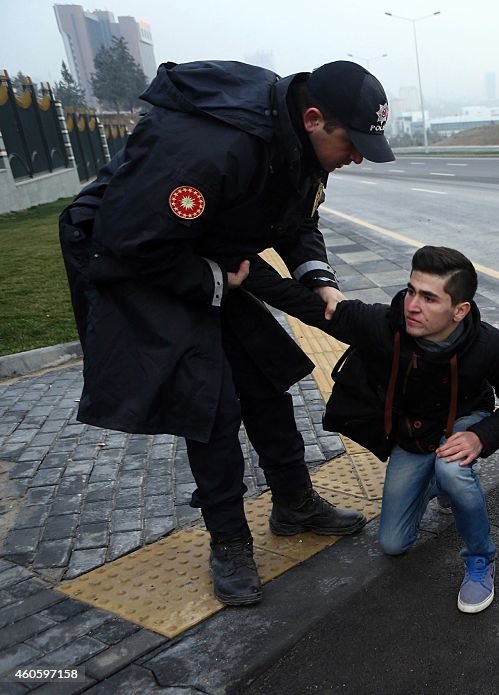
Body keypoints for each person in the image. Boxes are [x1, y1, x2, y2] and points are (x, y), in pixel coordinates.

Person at [58, 59, 397, 605]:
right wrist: (214, 277)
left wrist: (319, 280)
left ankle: (294, 504)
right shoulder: (213, 147)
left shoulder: (300, 139)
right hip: (137, 256)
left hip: (204, 245)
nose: (357, 155)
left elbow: (298, 214)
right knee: (209, 399)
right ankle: (229, 539)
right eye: (352, 142)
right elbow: (130, 240)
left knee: (265, 375)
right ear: (314, 119)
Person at [252, 246, 499, 613]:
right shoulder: (381, 325)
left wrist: (481, 436)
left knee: (453, 470)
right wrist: (244, 272)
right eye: (411, 291)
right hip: (415, 435)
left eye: (429, 298)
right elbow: (308, 306)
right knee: (393, 543)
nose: (412, 305)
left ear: (460, 310)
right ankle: (436, 483)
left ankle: (480, 558)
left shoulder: (489, 345)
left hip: (464, 420)